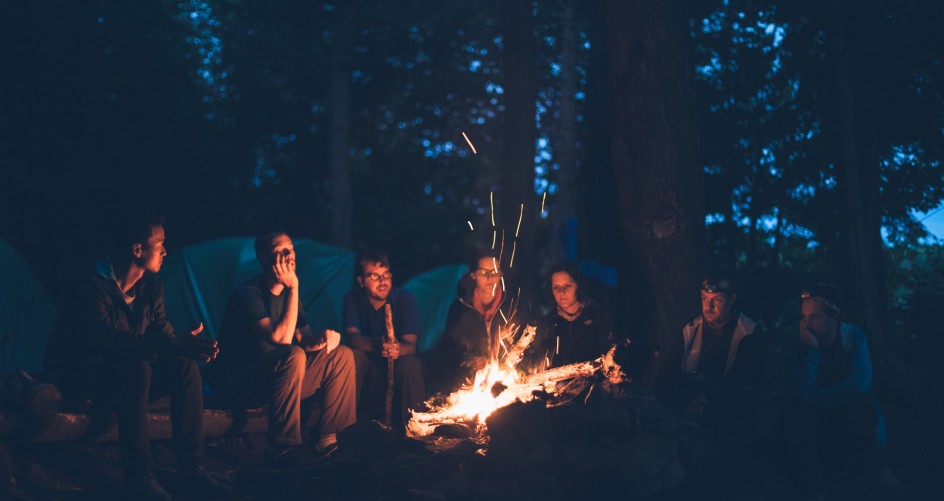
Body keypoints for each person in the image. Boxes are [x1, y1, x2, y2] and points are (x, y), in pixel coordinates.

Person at [44, 211, 227, 500]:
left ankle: (191, 468)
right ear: (138, 249)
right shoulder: (90, 286)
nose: (166, 251)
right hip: (84, 379)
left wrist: (180, 344)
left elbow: (160, 334)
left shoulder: (151, 287)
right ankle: (138, 475)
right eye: (160, 244)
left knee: (184, 370)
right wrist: (168, 344)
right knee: (138, 369)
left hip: (124, 376)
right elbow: (107, 342)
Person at [214, 231, 356, 460]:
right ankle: (283, 446)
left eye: (291, 249)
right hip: (240, 383)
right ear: (263, 258)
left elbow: (306, 340)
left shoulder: (291, 297)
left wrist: (325, 338)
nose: (289, 255)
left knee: (341, 355)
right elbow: (281, 338)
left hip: (279, 382)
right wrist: (293, 288)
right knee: (293, 354)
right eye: (280, 251)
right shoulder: (248, 293)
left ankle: (329, 440)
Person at [781, 284, 892, 497]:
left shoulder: (854, 338)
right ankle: (814, 488)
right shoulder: (803, 343)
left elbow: (858, 384)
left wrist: (816, 398)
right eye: (803, 317)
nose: (806, 324)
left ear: (834, 318)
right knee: (791, 415)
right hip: (814, 415)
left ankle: (857, 481)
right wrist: (811, 350)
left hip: (847, 411)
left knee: (859, 410)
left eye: (813, 317)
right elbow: (798, 390)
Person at [662, 273, 766, 448]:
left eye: (716, 300)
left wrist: (708, 396)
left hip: (725, 401)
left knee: (742, 400)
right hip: (692, 397)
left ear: (732, 299)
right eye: (704, 299)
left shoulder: (748, 332)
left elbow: (747, 380)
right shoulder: (690, 329)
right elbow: (667, 373)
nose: (708, 307)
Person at [342, 249, 424, 428]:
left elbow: (411, 345)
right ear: (361, 281)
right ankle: (346, 428)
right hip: (369, 371)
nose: (383, 281)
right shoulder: (353, 299)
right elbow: (352, 337)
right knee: (352, 356)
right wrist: (377, 346)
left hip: (397, 368)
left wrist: (396, 349)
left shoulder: (404, 299)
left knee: (411, 364)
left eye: (386, 275)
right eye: (374, 276)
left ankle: (414, 429)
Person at [427, 251, 511, 393]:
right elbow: (450, 347)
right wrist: (470, 359)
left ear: (501, 275)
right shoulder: (460, 308)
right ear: (473, 275)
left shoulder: (511, 306)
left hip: (506, 376)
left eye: (495, 272)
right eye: (484, 272)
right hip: (470, 381)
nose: (490, 277)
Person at [533, 261, 616, 369]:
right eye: (556, 287)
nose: (562, 292)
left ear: (578, 285)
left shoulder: (598, 316)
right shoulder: (547, 323)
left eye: (567, 285)